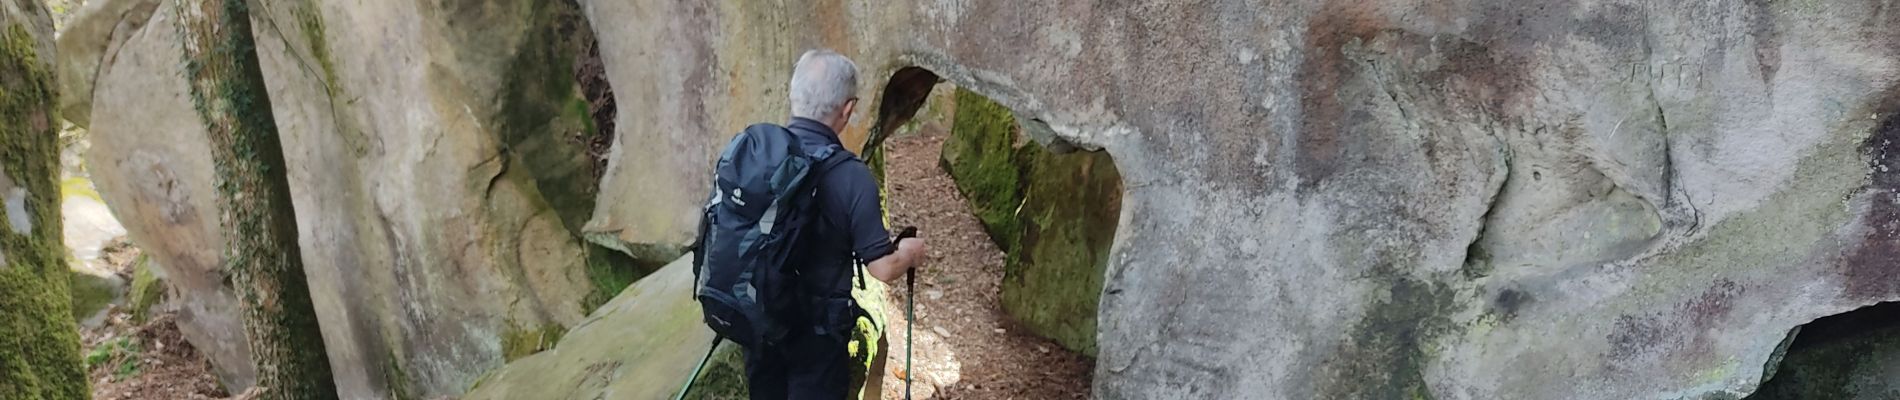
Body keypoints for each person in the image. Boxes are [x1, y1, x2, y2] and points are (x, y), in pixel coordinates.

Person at [743, 49, 928, 400]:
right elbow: (883, 269)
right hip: (816, 337)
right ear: (847, 108)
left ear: (793, 96)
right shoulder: (851, 176)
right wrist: (908, 253)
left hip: (759, 322)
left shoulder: (754, 156)